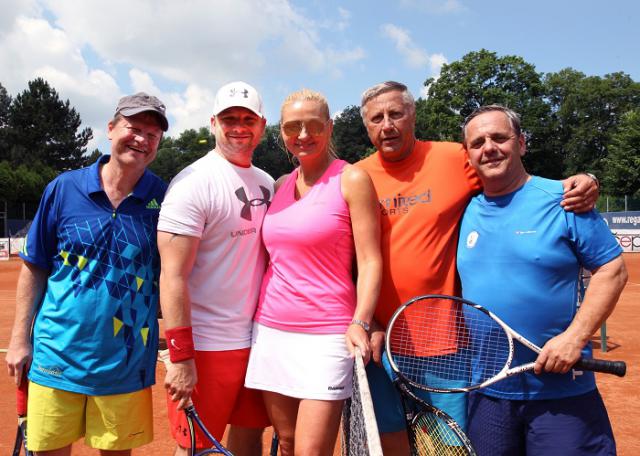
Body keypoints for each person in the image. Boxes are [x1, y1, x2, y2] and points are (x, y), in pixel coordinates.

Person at [354, 81, 601, 454]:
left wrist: (585, 181)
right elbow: (345, 256)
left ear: (412, 115)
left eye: (396, 114)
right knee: (389, 444)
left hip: (447, 348)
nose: (387, 125)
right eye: (377, 118)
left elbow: (511, 177)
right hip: (379, 343)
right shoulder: (355, 177)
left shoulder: (455, 157)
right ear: (367, 126)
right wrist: (367, 320)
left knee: (449, 448)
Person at [5, 92, 169, 455]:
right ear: (110, 128)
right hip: (56, 354)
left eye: (152, 134)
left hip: (125, 361)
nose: (142, 139)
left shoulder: (164, 198)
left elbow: (173, 274)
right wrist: (19, 339)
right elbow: (35, 265)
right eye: (133, 128)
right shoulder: (64, 188)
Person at [457, 105, 627, 455]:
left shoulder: (564, 200)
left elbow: (612, 270)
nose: (489, 148)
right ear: (468, 155)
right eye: (478, 142)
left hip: (561, 393)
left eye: (499, 137)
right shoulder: (462, 209)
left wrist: (574, 339)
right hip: (487, 391)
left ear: (521, 143)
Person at [244, 89, 382, 455]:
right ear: (281, 132)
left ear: (329, 127)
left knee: (311, 451)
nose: (303, 135)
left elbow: (370, 260)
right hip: (271, 330)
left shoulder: (352, 179)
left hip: (328, 335)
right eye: (293, 127)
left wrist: (361, 321)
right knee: (287, 443)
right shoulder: (279, 185)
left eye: (313, 125)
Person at [158, 81, 272, 456]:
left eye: (247, 119)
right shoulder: (192, 183)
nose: (238, 126)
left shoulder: (267, 183)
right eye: (229, 119)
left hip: (258, 340)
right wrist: (181, 356)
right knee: (195, 447)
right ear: (212, 124)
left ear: (262, 125)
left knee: (250, 438)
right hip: (208, 346)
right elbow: (172, 275)